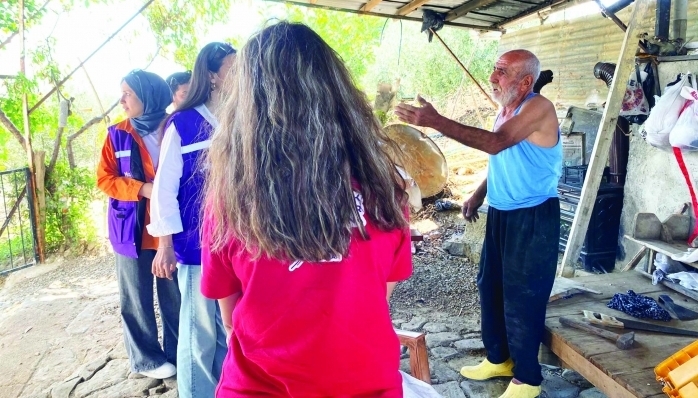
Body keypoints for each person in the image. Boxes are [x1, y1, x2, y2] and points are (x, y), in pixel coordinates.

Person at [200, 22, 412, 397]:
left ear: (248, 102)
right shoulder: (386, 189)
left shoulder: (230, 200)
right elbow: (380, 291)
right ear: (338, 91)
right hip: (367, 383)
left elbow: (231, 317)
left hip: (258, 386)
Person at [395, 49, 561, 398]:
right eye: (494, 70)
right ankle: (500, 358)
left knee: (523, 294)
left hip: (532, 216)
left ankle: (528, 378)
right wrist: (479, 193)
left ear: (525, 81)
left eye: (501, 72)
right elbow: (503, 156)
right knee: (491, 286)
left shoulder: (537, 108)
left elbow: (497, 144)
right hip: (502, 211)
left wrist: (436, 121)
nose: (492, 78)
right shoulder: (505, 110)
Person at [147, 42, 236, 398]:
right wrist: (164, 246)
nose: (242, 75)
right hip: (196, 243)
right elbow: (164, 188)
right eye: (233, 68)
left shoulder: (245, 117)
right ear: (212, 76)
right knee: (198, 331)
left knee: (230, 328)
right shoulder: (183, 123)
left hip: (240, 242)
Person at [97, 69, 181, 379]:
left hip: (170, 228)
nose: (121, 100)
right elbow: (104, 179)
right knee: (135, 297)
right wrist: (142, 189)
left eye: (128, 93)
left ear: (149, 95)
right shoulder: (116, 133)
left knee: (175, 294)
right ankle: (146, 359)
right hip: (130, 229)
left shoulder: (176, 125)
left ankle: (177, 352)